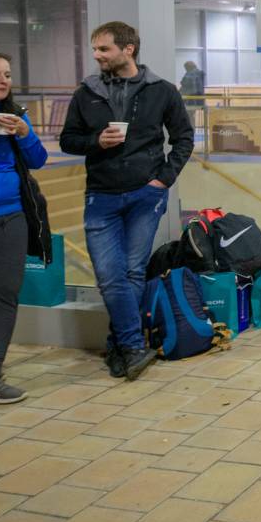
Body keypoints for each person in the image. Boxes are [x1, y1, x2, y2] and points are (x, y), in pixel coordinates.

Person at [60, 22, 193, 381]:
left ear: (128, 49)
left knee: (133, 272)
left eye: (103, 49)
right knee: (109, 276)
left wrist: (162, 180)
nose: (96, 55)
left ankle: (120, 345)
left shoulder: (162, 91)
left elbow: (183, 138)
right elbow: (68, 140)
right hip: (100, 196)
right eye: (95, 49)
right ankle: (132, 346)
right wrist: (95, 142)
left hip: (145, 195)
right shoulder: (85, 93)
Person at [0, 48, 51, 404]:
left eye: (7, 74)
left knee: (3, 294)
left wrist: (24, 134)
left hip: (13, 217)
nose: (3, 80)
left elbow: (38, 160)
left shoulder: (16, 115)